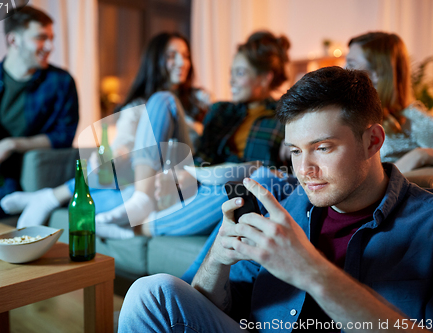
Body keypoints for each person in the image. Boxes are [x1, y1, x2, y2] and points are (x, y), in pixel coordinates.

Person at [117, 67, 433, 332]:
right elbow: (217, 311)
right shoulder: (283, 208)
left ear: (373, 141)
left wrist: (311, 272)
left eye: (323, 148)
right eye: (295, 151)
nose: (305, 170)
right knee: (152, 294)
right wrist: (217, 261)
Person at [95, 31, 297, 240]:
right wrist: (184, 175)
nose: (231, 81)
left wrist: (293, 145)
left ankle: (138, 228)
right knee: (162, 100)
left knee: (240, 192)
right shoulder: (220, 111)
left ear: (265, 78)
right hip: (200, 183)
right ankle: (141, 200)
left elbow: (282, 175)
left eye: (239, 73)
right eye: (231, 73)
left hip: (232, 191)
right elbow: (203, 155)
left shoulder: (284, 118)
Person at [0, 32, 209, 229]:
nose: (182, 63)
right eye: (172, 56)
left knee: (162, 100)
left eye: (186, 56)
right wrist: (112, 159)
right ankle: (130, 202)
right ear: (155, 61)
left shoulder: (200, 101)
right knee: (114, 188)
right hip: (147, 180)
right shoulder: (136, 107)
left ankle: (51, 197)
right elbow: (123, 145)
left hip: (182, 173)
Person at [0, 6, 79, 230]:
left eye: (51, 38)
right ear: (13, 40)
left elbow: (63, 137)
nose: (50, 46)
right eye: (41, 38)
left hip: (22, 182)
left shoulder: (60, 83)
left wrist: (10, 145)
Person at [346, 32, 433, 172]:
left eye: (351, 63)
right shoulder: (352, 113)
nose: (342, 68)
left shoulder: (412, 118)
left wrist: (421, 155)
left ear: (377, 73)